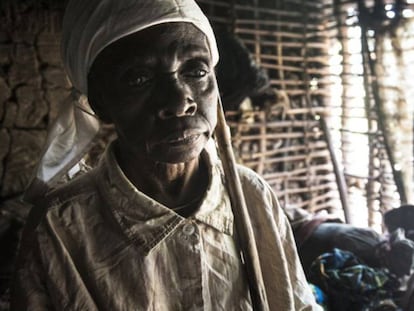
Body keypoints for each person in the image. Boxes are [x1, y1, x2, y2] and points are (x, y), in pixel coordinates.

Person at [11, 0, 321, 310]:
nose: (178, 101)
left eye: (196, 71)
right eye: (139, 79)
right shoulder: (58, 228)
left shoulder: (252, 195)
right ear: (101, 101)